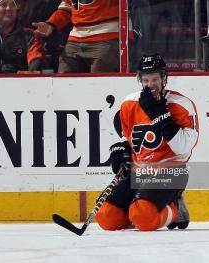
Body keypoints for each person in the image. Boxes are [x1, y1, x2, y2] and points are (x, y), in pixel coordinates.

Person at [96, 54, 199, 231]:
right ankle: (137, 209)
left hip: (171, 169)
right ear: (140, 80)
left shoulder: (180, 104)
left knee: (143, 216)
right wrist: (122, 151)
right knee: (107, 217)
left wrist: (161, 117)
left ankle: (175, 209)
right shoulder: (129, 103)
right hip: (140, 170)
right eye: (145, 80)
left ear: (164, 78)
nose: (150, 85)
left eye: (155, 79)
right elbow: (128, 137)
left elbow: (183, 147)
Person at [31, 0, 120, 73]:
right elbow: (66, 8)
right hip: (76, 38)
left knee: (100, 78)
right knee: (65, 74)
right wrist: (51, 24)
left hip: (107, 35)